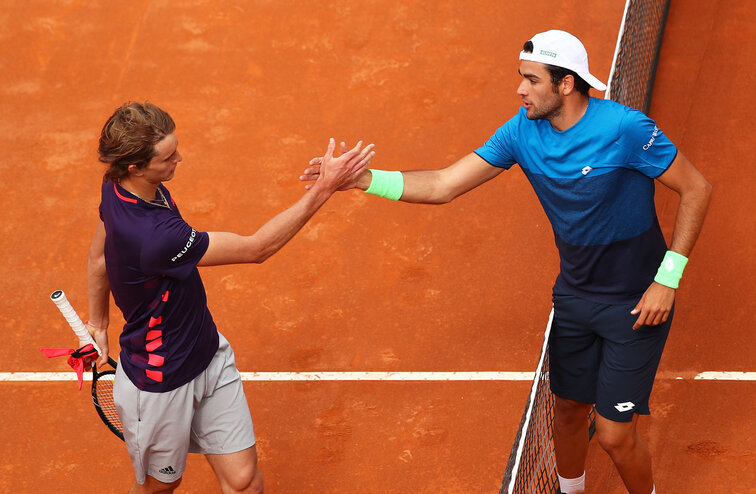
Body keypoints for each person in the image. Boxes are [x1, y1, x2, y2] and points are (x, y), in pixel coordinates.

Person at [301, 30, 711, 494]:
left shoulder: (625, 129)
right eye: (522, 78)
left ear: (566, 85)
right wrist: (363, 181)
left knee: (615, 435)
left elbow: (696, 188)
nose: (520, 90)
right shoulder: (520, 132)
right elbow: (443, 184)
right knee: (569, 411)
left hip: (636, 302)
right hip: (575, 296)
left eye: (532, 81)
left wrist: (668, 279)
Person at [86, 101, 375, 494]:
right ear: (135, 166)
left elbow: (100, 255)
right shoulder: (156, 237)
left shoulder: (118, 187)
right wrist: (324, 188)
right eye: (168, 157)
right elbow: (256, 248)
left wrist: (97, 323)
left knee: (242, 483)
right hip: (162, 380)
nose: (179, 159)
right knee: (158, 488)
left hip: (207, 353)